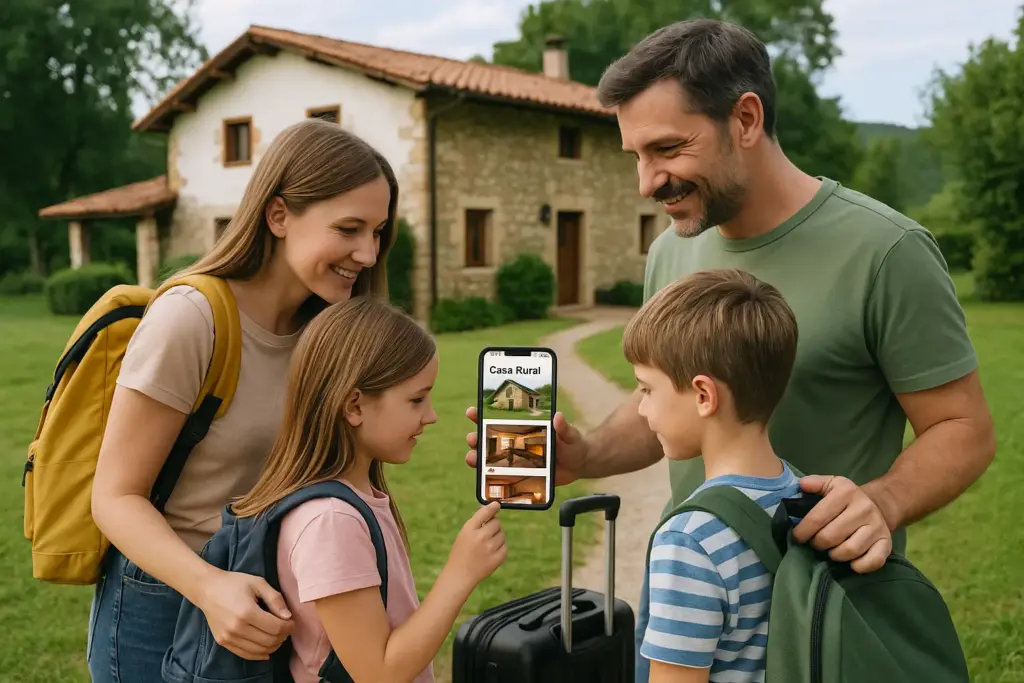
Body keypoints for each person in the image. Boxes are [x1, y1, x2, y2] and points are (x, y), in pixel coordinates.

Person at [463, 11, 995, 647]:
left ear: (745, 119)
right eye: (636, 155)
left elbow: (963, 428)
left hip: (819, 617)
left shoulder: (887, 251)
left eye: (668, 148)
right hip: (686, 601)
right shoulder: (671, 250)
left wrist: (881, 503)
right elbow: (671, 402)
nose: (646, 182)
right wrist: (588, 455)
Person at [88, 119, 401, 683]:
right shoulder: (193, 318)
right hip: (167, 600)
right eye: (350, 228)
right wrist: (210, 588)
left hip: (274, 596)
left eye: (378, 232)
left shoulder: (327, 329)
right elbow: (114, 496)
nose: (369, 253)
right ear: (278, 215)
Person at [230, 296, 507, 683]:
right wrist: (461, 573)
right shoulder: (330, 522)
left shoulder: (356, 500)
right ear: (355, 406)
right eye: (416, 400)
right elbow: (378, 673)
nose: (431, 416)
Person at [623, 268, 802, 683]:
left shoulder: (689, 541)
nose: (641, 409)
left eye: (646, 389)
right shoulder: (804, 496)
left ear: (704, 395)